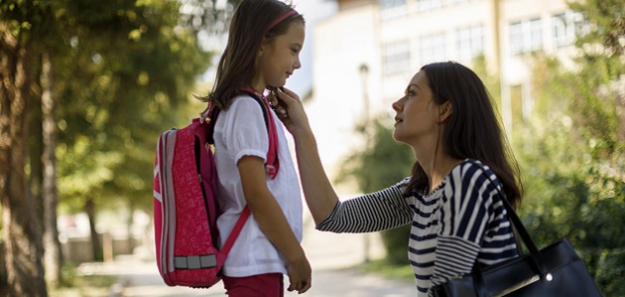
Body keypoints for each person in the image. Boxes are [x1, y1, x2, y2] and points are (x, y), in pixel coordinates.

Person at [273, 61, 523, 296]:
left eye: (412, 93)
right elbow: (333, 217)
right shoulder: (422, 192)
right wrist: (301, 131)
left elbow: (448, 290)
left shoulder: (469, 179)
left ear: (444, 110)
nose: (396, 104)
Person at [199, 0, 310, 295]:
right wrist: (295, 256)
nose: (298, 63)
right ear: (262, 43)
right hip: (253, 263)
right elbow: (256, 193)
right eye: (293, 49)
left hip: (260, 263)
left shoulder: (252, 106)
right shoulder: (246, 107)